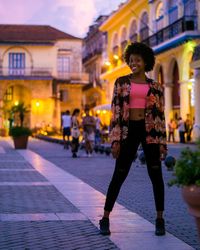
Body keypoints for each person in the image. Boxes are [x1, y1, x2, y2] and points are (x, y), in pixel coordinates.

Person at [99, 42, 167, 236]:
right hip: (128, 131)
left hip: (150, 132)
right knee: (119, 174)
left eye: (137, 59)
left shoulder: (155, 86)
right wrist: (115, 140)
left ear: (146, 62)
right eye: (131, 60)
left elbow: (160, 116)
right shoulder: (121, 82)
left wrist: (162, 143)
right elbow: (116, 113)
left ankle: (160, 219)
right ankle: (105, 218)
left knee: (156, 176)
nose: (133, 63)